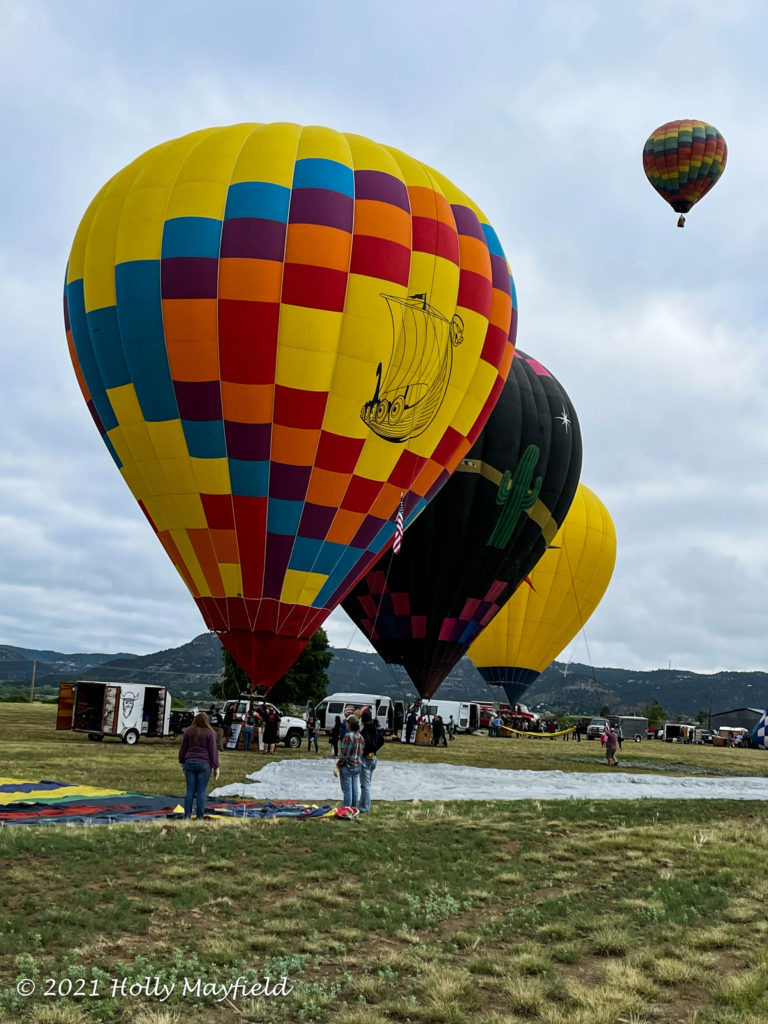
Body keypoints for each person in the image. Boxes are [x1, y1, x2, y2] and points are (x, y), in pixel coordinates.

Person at [178, 712, 220, 819]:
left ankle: (187, 815)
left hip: (189, 762)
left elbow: (183, 748)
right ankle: (199, 817)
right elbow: (213, 751)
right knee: (201, 791)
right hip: (204, 764)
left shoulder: (188, 731)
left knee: (190, 790)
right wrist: (216, 766)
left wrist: (182, 761)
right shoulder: (210, 733)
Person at [336, 714, 364, 809]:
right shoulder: (360, 736)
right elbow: (361, 751)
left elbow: (344, 754)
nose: (345, 724)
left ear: (349, 724)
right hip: (357, 765)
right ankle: (353, 807)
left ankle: (346, 808)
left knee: (347, 790)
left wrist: (338, 766)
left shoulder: (348, 736)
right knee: (354, 788)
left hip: (348, 766)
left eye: (347, 723)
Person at [359, 709, 380, 813]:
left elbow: (367, 743)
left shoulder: (364, 732)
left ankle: (365, 807)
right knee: (367, 784)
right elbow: (381, 740)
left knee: (365, 785)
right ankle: (362, 804)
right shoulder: (375, 729)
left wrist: (367, 750)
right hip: (373, 758)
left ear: (362, 720)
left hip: (366, 759)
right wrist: (375, 750)